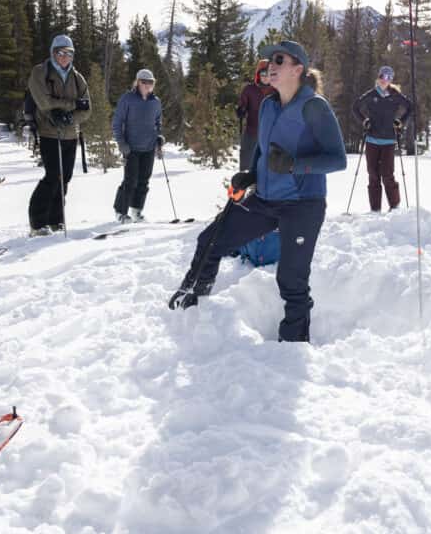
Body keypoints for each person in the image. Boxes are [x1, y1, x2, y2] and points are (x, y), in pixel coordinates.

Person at [168, 40, 347, 342]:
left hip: (303, 204)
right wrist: (250, 174)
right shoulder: (268, 104)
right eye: (268, 61)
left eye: (279, 60)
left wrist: (295, 165)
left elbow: (337, 159)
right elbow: (263, 150)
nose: (270, 66)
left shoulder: (314, 107)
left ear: (298, 69)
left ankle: (293, 343)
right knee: (210, 241)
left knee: (291, 278)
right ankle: (192, 303)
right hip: (265, 199)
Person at [26, 34, 91, 236]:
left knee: (65, 178)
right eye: (60, 52)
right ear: (53, 53)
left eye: (69, 53)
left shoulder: (77, 78)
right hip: (49, 132)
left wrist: (70, 118)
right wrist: (71, 106)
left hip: (71, 134)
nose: (64, 57)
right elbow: (44, 102)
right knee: (53, 176)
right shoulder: (40, 72)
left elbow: (87, 108)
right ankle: (37, 222)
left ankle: (56, 220)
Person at [352, 65, 412, 212]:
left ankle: (395, 206)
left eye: (389, 77)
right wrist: (364, 121)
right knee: (373, 174)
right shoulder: (371, 94)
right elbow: (355, 107)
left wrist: (401, 121)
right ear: (378, 77)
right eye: (383, 76)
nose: (386, 80)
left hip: (389, 141)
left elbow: (410, 107)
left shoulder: (395, 95)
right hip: (372, 139)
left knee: (387, 174)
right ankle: (375, 209)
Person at [112, 69, 164, 222]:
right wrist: (121, 143)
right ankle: (120, 212)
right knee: (130, 180)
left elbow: (158, 123)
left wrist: (159, 137)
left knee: (144, 180)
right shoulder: (127, 99)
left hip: (148, 147)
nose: (147, 85)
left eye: (151, 82)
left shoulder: (156, 102)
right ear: (137, 82)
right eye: (144, 82)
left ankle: (136, 210)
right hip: (131, 148)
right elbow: (117, 123)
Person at [236, 59, 272, 170]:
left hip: (270, 134)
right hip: (252, 132)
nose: (266, 77)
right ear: (258, 74)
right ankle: (243, 184)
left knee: (267, 164)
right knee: (247, 162)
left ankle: (262, 185)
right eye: (263, 73)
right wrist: (241, 110)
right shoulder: (249, 90)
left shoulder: (276, 90)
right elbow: (243, 104)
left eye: (269, 73)